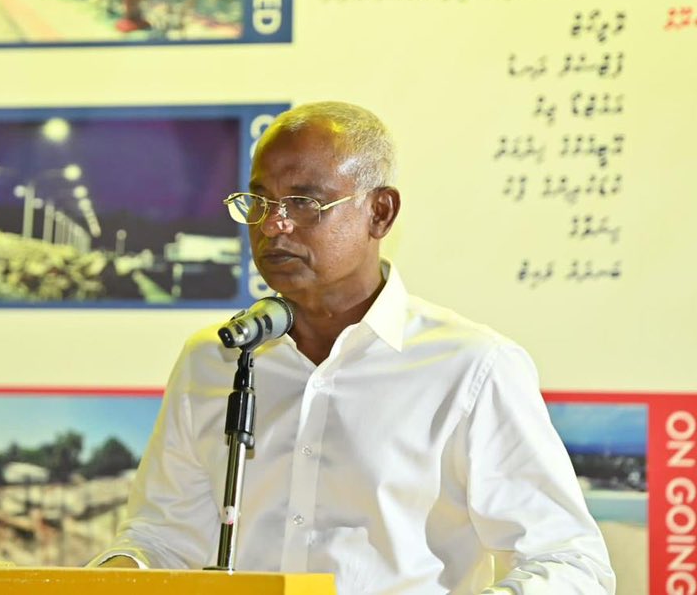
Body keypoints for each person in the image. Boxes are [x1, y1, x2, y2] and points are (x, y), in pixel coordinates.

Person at [91, 102, 615, 594]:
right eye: (261, 201)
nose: (274, 224)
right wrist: (111, 576)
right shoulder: (216, 358)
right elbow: (160, 537)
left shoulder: (472, 367)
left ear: (380, 213)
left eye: (304, 201)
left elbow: (569, 563)